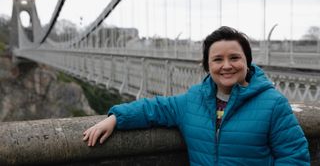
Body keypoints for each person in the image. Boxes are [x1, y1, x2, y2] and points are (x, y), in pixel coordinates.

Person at [83, 26, 310, 165]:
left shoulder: (273, 104)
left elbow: (294, 157)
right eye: (218, 59)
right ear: (207, 65)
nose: (227, 66)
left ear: (247, 62)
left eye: (235, 58)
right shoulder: (192, 101)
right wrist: (115, 118)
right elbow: (154, 108)